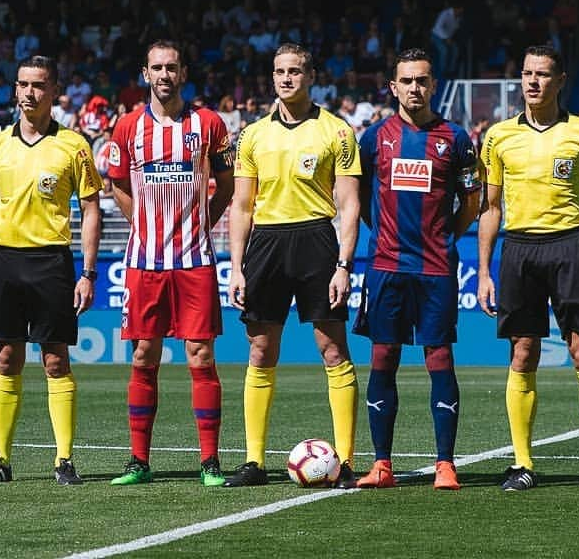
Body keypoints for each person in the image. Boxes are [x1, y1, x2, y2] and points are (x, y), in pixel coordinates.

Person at [477, 45, 579, 494]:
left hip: (568, 248)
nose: (533, 82)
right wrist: (483, 270)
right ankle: (523, 464)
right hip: (518, 249)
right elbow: (491, 207)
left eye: (542, 74)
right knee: (523, 353)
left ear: (560, 80)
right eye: (526, 74)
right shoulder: (498, 136)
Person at [224, 43, 362, 488]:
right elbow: (241, 206)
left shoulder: (337, 131)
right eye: (280, 71)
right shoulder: (252, 136)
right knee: (261, 350)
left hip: (317, 242)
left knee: (333, 350)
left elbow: (349, 203)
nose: (287, 78)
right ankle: (253, 462)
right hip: (265, 243)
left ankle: (345, 461)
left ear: (311, 75)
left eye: (296, 71)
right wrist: (237, 266)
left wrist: (343, 264)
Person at [0, 55, 102, 486]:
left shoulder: (74, 146)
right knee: (7, 359)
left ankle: (64, 461)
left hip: (51, 261)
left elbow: (91, 208)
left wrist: (89, 272)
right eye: (23, 84)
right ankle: (0, 459)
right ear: (15, 89)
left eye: (39, 85)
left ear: (54, 90)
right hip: (5, 260)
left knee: (55, 360)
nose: (29, 92)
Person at [352, 48, 482, 491]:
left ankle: (445, 463)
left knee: (439, 356)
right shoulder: (373, 138)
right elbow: (361, 198)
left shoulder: (457, 138)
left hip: (435, 267)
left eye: (422, 80)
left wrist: (445, 235)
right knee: (383, 355)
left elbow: (472, 201)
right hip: (386, 266)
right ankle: (382, 464)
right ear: (393, 87)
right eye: (406, 81)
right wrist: (383, 230)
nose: (414, 88)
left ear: (433, 85)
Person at [107, 41, 235, 487]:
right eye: (157, 67)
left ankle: (210, 461)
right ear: (146, 73)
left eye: (172, 68)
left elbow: (227, 182)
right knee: (144, 354)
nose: (164, 75)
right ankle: (139, 461)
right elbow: (118, 184)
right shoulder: (126, 128)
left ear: (183, 73)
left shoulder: (208, 124)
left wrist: (202, 222)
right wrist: (141, 224)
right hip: (145, 262)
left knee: (200, 355)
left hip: (194, 261)